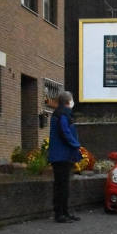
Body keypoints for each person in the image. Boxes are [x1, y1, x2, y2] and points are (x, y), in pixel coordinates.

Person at [48, 91, 82, 223]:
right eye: (72, 100)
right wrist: (76, 144)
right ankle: (60, 214)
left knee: (64, 186)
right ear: (68, 101)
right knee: (61, 186)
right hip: (61, 156)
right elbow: (65, 132)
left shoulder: (60, 113)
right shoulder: (63, 114)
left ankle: (65, 212)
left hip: (62, 155)